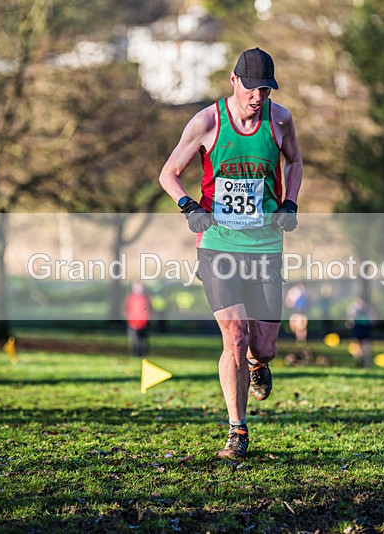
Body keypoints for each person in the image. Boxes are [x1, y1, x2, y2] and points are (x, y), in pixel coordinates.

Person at [158, 48, 303, 459]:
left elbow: (295, 161)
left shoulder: (280, 120)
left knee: (264, 346)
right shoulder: (207, 122)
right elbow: (169, 174)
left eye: (267, 89)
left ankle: (260, 366)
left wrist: (290, 203)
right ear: (234, 81)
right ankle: (237, 432)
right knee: (235, 338)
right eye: (253, 87)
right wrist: (189, 207)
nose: (259, 96)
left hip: (266, 247)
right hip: (219, 245)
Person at [123, 281, 151, 357]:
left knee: (142, 339)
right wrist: (127, 315)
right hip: (132, 321)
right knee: (133, 339)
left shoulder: (146, 298)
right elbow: (125, 308)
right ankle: (134, 353)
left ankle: (142, 353)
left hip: (143, 322)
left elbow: (149, 308)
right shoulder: (130, 298)